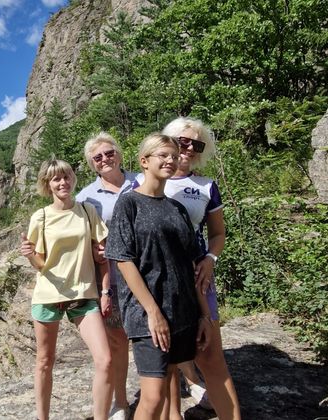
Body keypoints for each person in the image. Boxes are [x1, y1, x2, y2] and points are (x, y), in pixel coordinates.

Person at [105, 133, 212, 420]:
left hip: (182, 310)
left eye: (174, 156)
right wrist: (153, 312)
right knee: (152, 397)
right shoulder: (129, 204)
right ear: (144, 161)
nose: (171, 160)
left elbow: (190, 265)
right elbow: (123, 260)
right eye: (163, 155)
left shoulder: (177, 208)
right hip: (146, 315)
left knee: (169, 385)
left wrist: (203, 315)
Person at [160, 117, 241, 419]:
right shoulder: (146, 181)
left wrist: (210, 259)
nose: (190, 149)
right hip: (159, 281)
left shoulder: (206, 186)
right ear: (168, 141)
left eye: (197, 144)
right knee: (165, 361)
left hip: (197, 278)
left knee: (211, 358)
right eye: (184, 141)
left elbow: (218, 234)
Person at [20, 158, 113, 420]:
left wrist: (105, 291)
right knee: (44, 361)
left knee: (105, 360)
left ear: (73, 178)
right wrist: (30, 254)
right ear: (47, 184)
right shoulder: (40, 217)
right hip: (49, 295)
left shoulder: (86, 211)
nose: (63, 182)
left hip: (83, 294)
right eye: (56, 179)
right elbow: (40, 264)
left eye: (66, 176)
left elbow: (102, 255)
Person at [76, 132, 137, 420]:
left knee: (159, 336)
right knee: (118, 341)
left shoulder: (141, 182)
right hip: (112, 279)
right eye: (97, 157)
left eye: (109, 153)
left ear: (119, 154)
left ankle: (173, 392)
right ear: (92, 164)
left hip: (150, 273)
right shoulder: (86, 197)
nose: (104, 159)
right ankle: (121, 402)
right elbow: (78, 237)